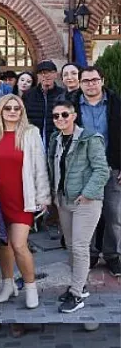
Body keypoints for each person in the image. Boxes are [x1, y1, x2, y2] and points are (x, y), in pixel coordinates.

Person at [0, 95, 51, 337]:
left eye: (16, 108)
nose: (12, 111)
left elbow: (39, 167)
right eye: (7, 108)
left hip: (23, 199)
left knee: (19, 245)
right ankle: (8, 284)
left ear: (22, 111)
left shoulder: (30, 133)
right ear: (0, 110)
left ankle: (30, 287)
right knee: (3, 245)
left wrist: (44, 197)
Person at [47, 100, 109, 313]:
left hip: (86, 201)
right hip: (64, 200)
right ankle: (79, 285)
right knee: (72, 247)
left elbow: (102, 170)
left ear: (73, 115)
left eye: (64, 114)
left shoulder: (90, 138)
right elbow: (53, 168)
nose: (60, 119)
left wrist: (88, 193)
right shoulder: (55, 139)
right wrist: (53, 195)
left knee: (81, 247)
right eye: (56, 116)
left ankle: (76, 295)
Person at [72, 66, 121, 276]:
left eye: (94, 80)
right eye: (86, 80)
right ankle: (89, 254)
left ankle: (113, 255)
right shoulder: (71, 104)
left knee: (114, 216)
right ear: (80, 83)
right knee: (86, 213)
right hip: (84, 169)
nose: (90, 84)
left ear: (102, 80)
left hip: (112, 167)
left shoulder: (117, 104)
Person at [23, 60, 65, 152]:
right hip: (33, 144)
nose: (46, 75)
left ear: (56, 74)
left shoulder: (63, 94)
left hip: (57, 143)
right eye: (42, 73)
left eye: (50, 72)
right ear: (38, 76)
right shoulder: (28, 95)